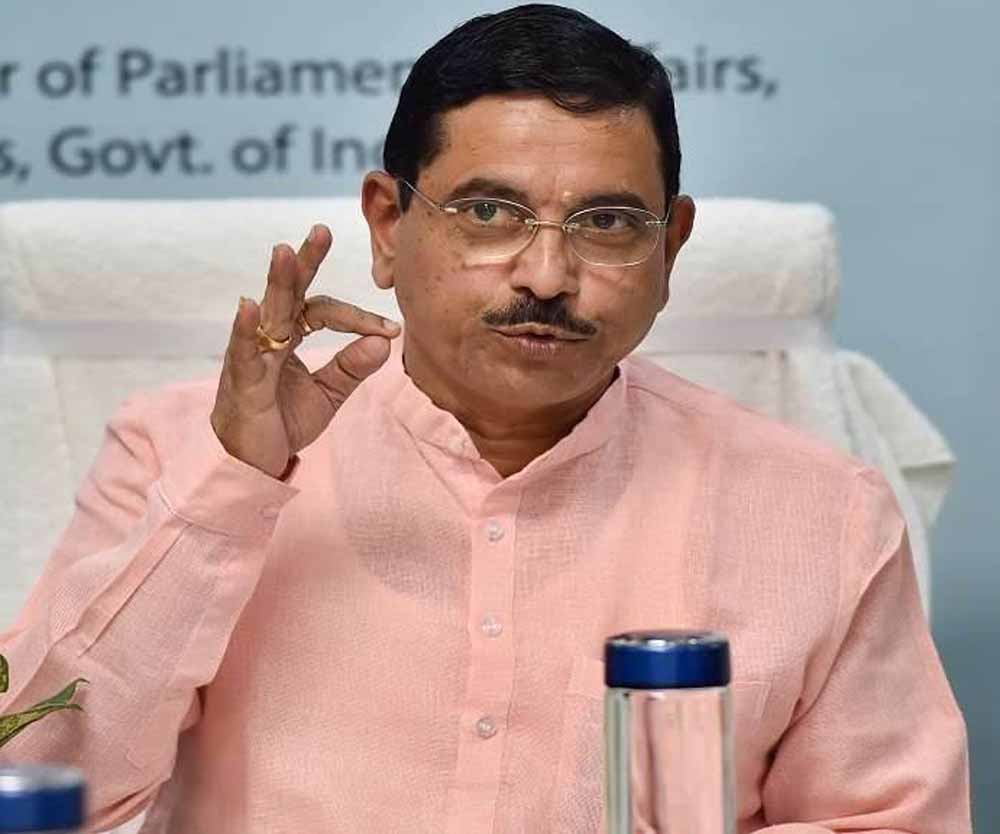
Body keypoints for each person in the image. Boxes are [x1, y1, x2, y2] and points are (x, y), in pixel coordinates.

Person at [0, 5, 970, 833]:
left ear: (670, 246)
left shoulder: (819, 512)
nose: (546, 276)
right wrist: (230, 492)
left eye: (606, 223)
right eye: (490, 213)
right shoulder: (178, 454)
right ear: (388, 225)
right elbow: (38, 783)